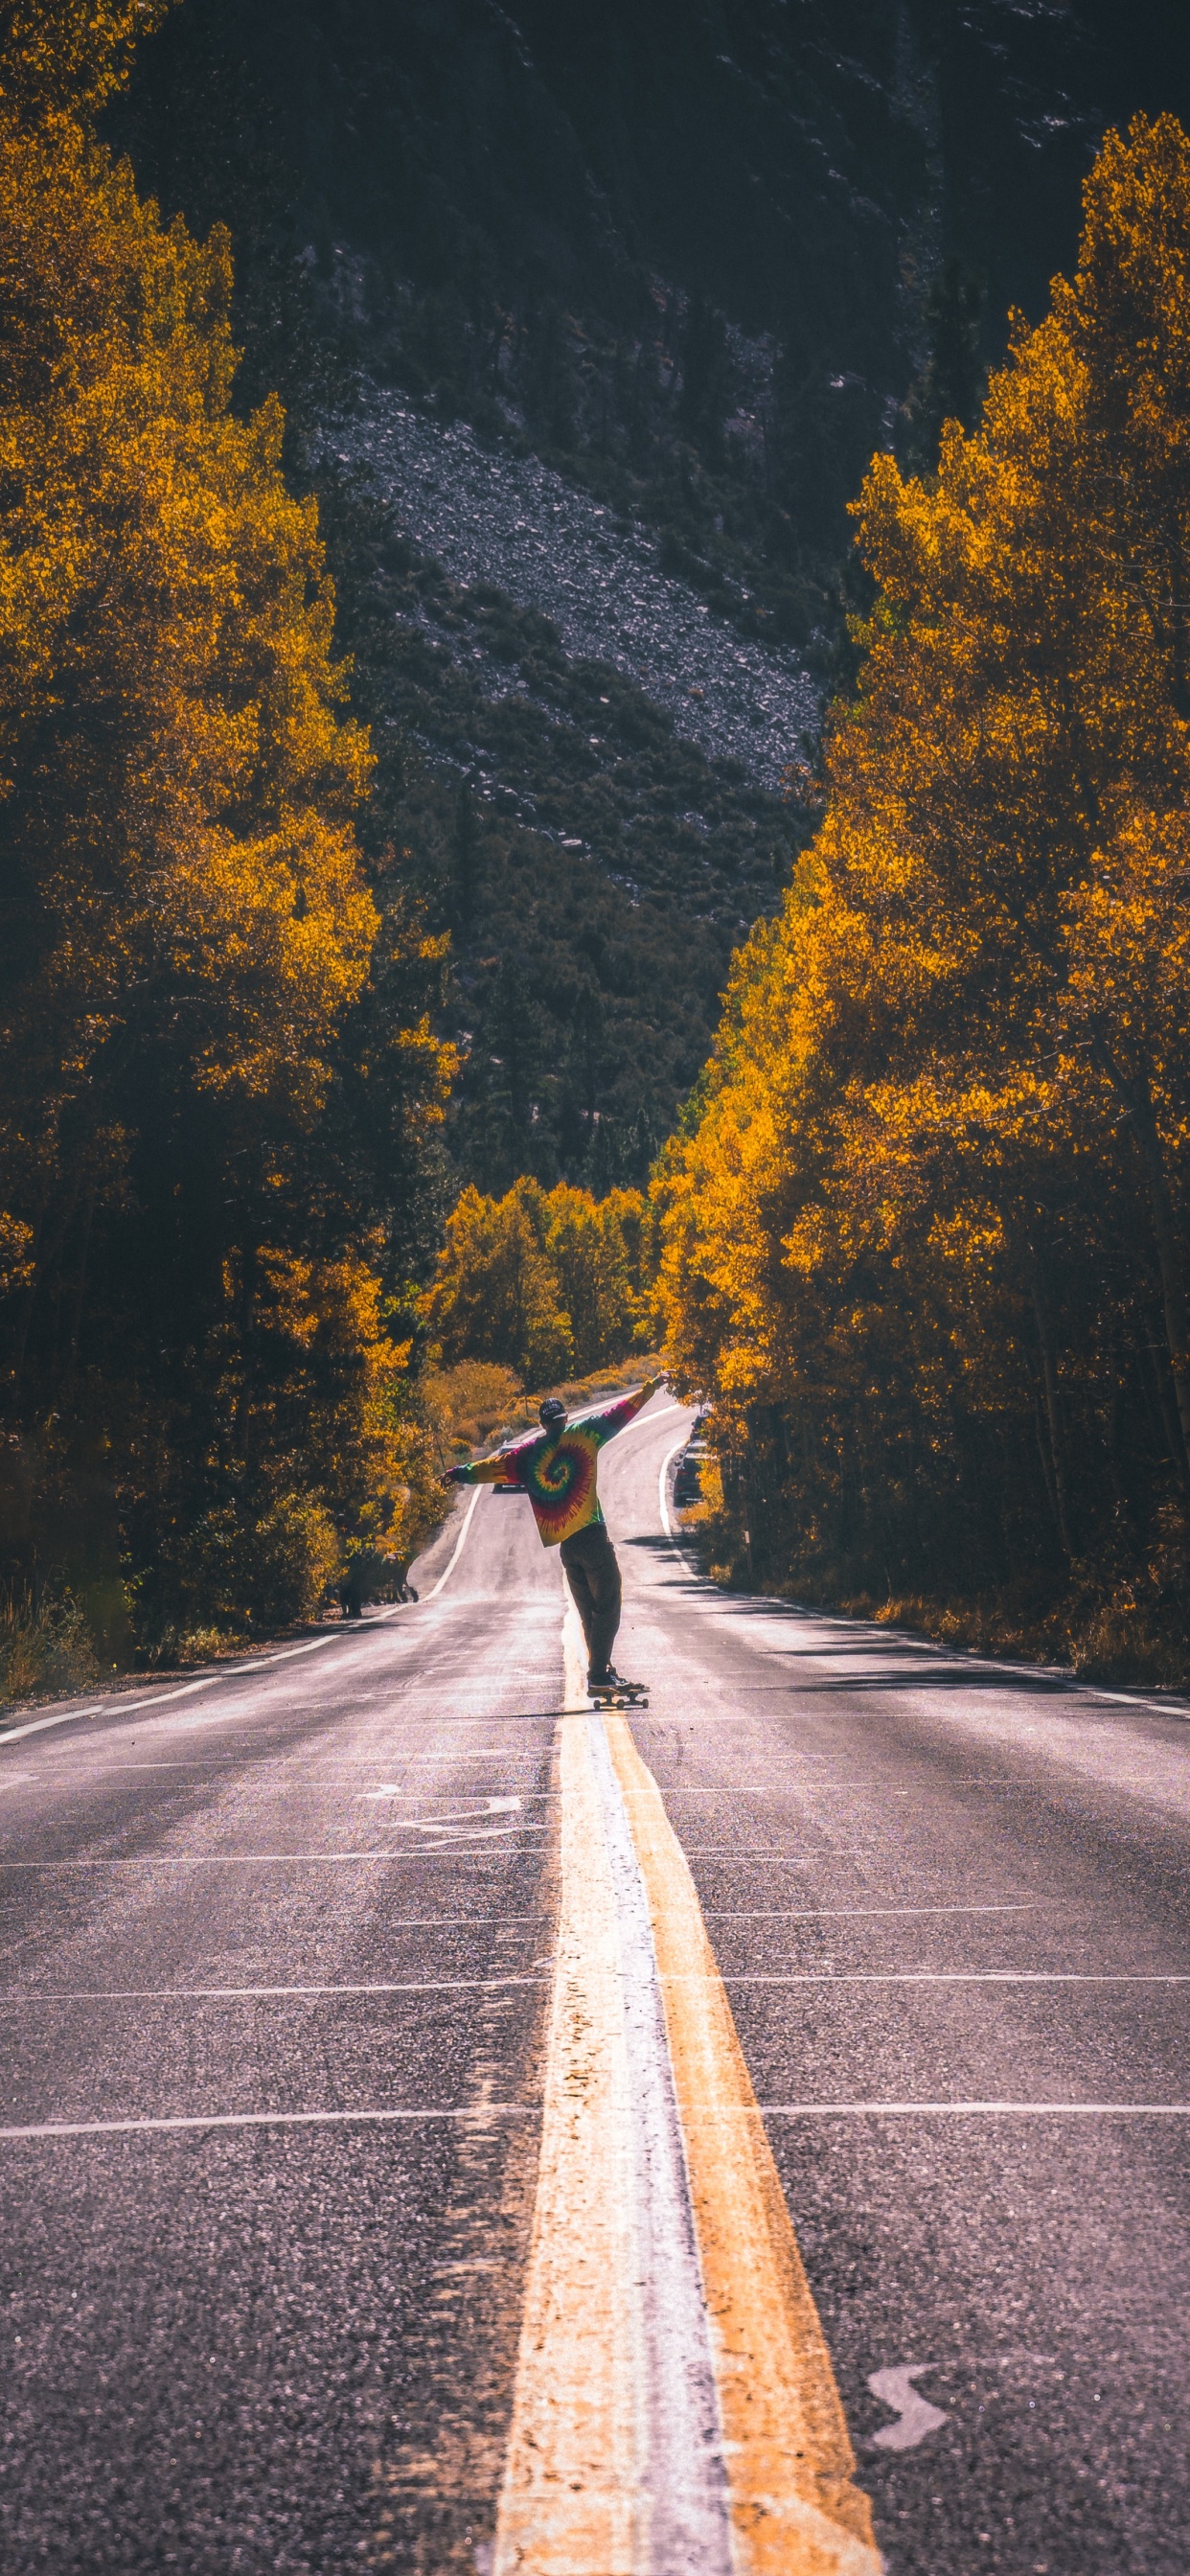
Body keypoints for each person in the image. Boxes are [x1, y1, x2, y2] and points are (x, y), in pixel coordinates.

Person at [442, 1376, 665, 1690]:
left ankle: (602, 1670)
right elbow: (620, 1412)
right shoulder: (584, 1434)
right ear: (565, 1418)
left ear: (543, 1424)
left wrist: (457, 1473)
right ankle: (599, 1674)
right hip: (592, 1538)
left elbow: (490, 1467)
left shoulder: (526, 1456)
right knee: (609, 1602)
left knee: (589, 1613)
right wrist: (651, 1387)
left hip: (567, 1548)